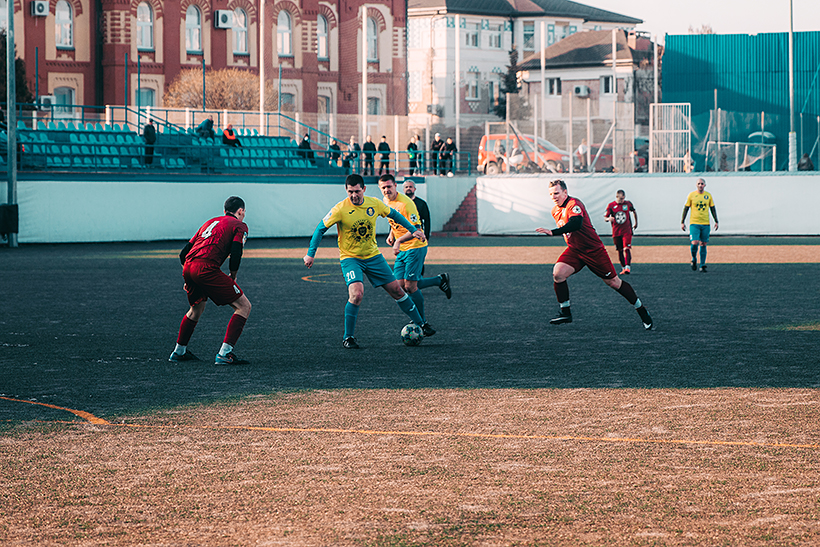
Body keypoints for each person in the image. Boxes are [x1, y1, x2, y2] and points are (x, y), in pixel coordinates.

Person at [303, 174, 435, 349]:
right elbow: (320, 229)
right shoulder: (340, 209)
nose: (354, 195)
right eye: (350, 192)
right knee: (357, 294)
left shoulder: (374, 203)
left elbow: (394, 215)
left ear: (364, 189)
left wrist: (412, 229)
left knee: (397, 289)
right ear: (346, 190)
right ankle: (348, 337)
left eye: (357, 191)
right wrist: (310, 254)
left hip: (373, 256)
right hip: (351, 258)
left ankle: (421, 324)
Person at [536, 179, 653, 330]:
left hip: (593, 250)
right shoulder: (555, 210)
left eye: (556, 193)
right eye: (551, 194)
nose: (554, 197)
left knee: (614, 283)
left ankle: (641, 310)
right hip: (575, 250)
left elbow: (576, 223)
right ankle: (565, 312)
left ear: (565, 192)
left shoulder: (574, 204)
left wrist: (553, 232)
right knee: (558, 273)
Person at [169, 196, 252, 365]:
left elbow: (183, 254)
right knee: (244, 306)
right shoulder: (240, 226)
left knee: (196, 309)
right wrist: (233, 275)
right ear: (240, 211)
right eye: (244, 212)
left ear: (224, 211)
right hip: (206, 268)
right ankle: (224, 354)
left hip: (189, 266)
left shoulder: (210, 222)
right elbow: (236, 252)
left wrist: (189, 276)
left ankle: (179, 352)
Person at [379, 174, 451, 327]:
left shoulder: (407, 204)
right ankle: (439, 280)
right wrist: (391, 234)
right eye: (383, 187)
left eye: (389, 187)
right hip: (403, 249)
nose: (386, 190)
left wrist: (398, 241)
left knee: (410, 287)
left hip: (415, 247)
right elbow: (395, 221)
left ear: (395, 186)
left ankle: (421, 322)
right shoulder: (385, 201)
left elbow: (417, 230)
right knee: (399, 286)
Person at [681, 178, 719, 273]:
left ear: (704, 185)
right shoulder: (692, 195)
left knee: (703, 243)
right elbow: (686, 208)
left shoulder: (708, 196)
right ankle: (694, 258)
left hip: (705, 223)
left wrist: (716, 221)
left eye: (702, 184)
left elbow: (712, 208)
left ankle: (702, 265)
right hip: (694, 223)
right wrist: (682, 221)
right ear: (696, 185)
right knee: (694, 242)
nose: (700, 185)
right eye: (699, 184)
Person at [604, 190, 638, 275]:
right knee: (620, 250)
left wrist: (636, 223)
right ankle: (623, 268)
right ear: (616, 197)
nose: (622, 200)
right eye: (620, 199)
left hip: (627, 231)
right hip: (616, 232)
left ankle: (628, 267)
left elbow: (634, 211)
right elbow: (605, 217)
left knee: (627, 248)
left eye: (623, 198)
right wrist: (608, 219)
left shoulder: (628, 204)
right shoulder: (611, 206)